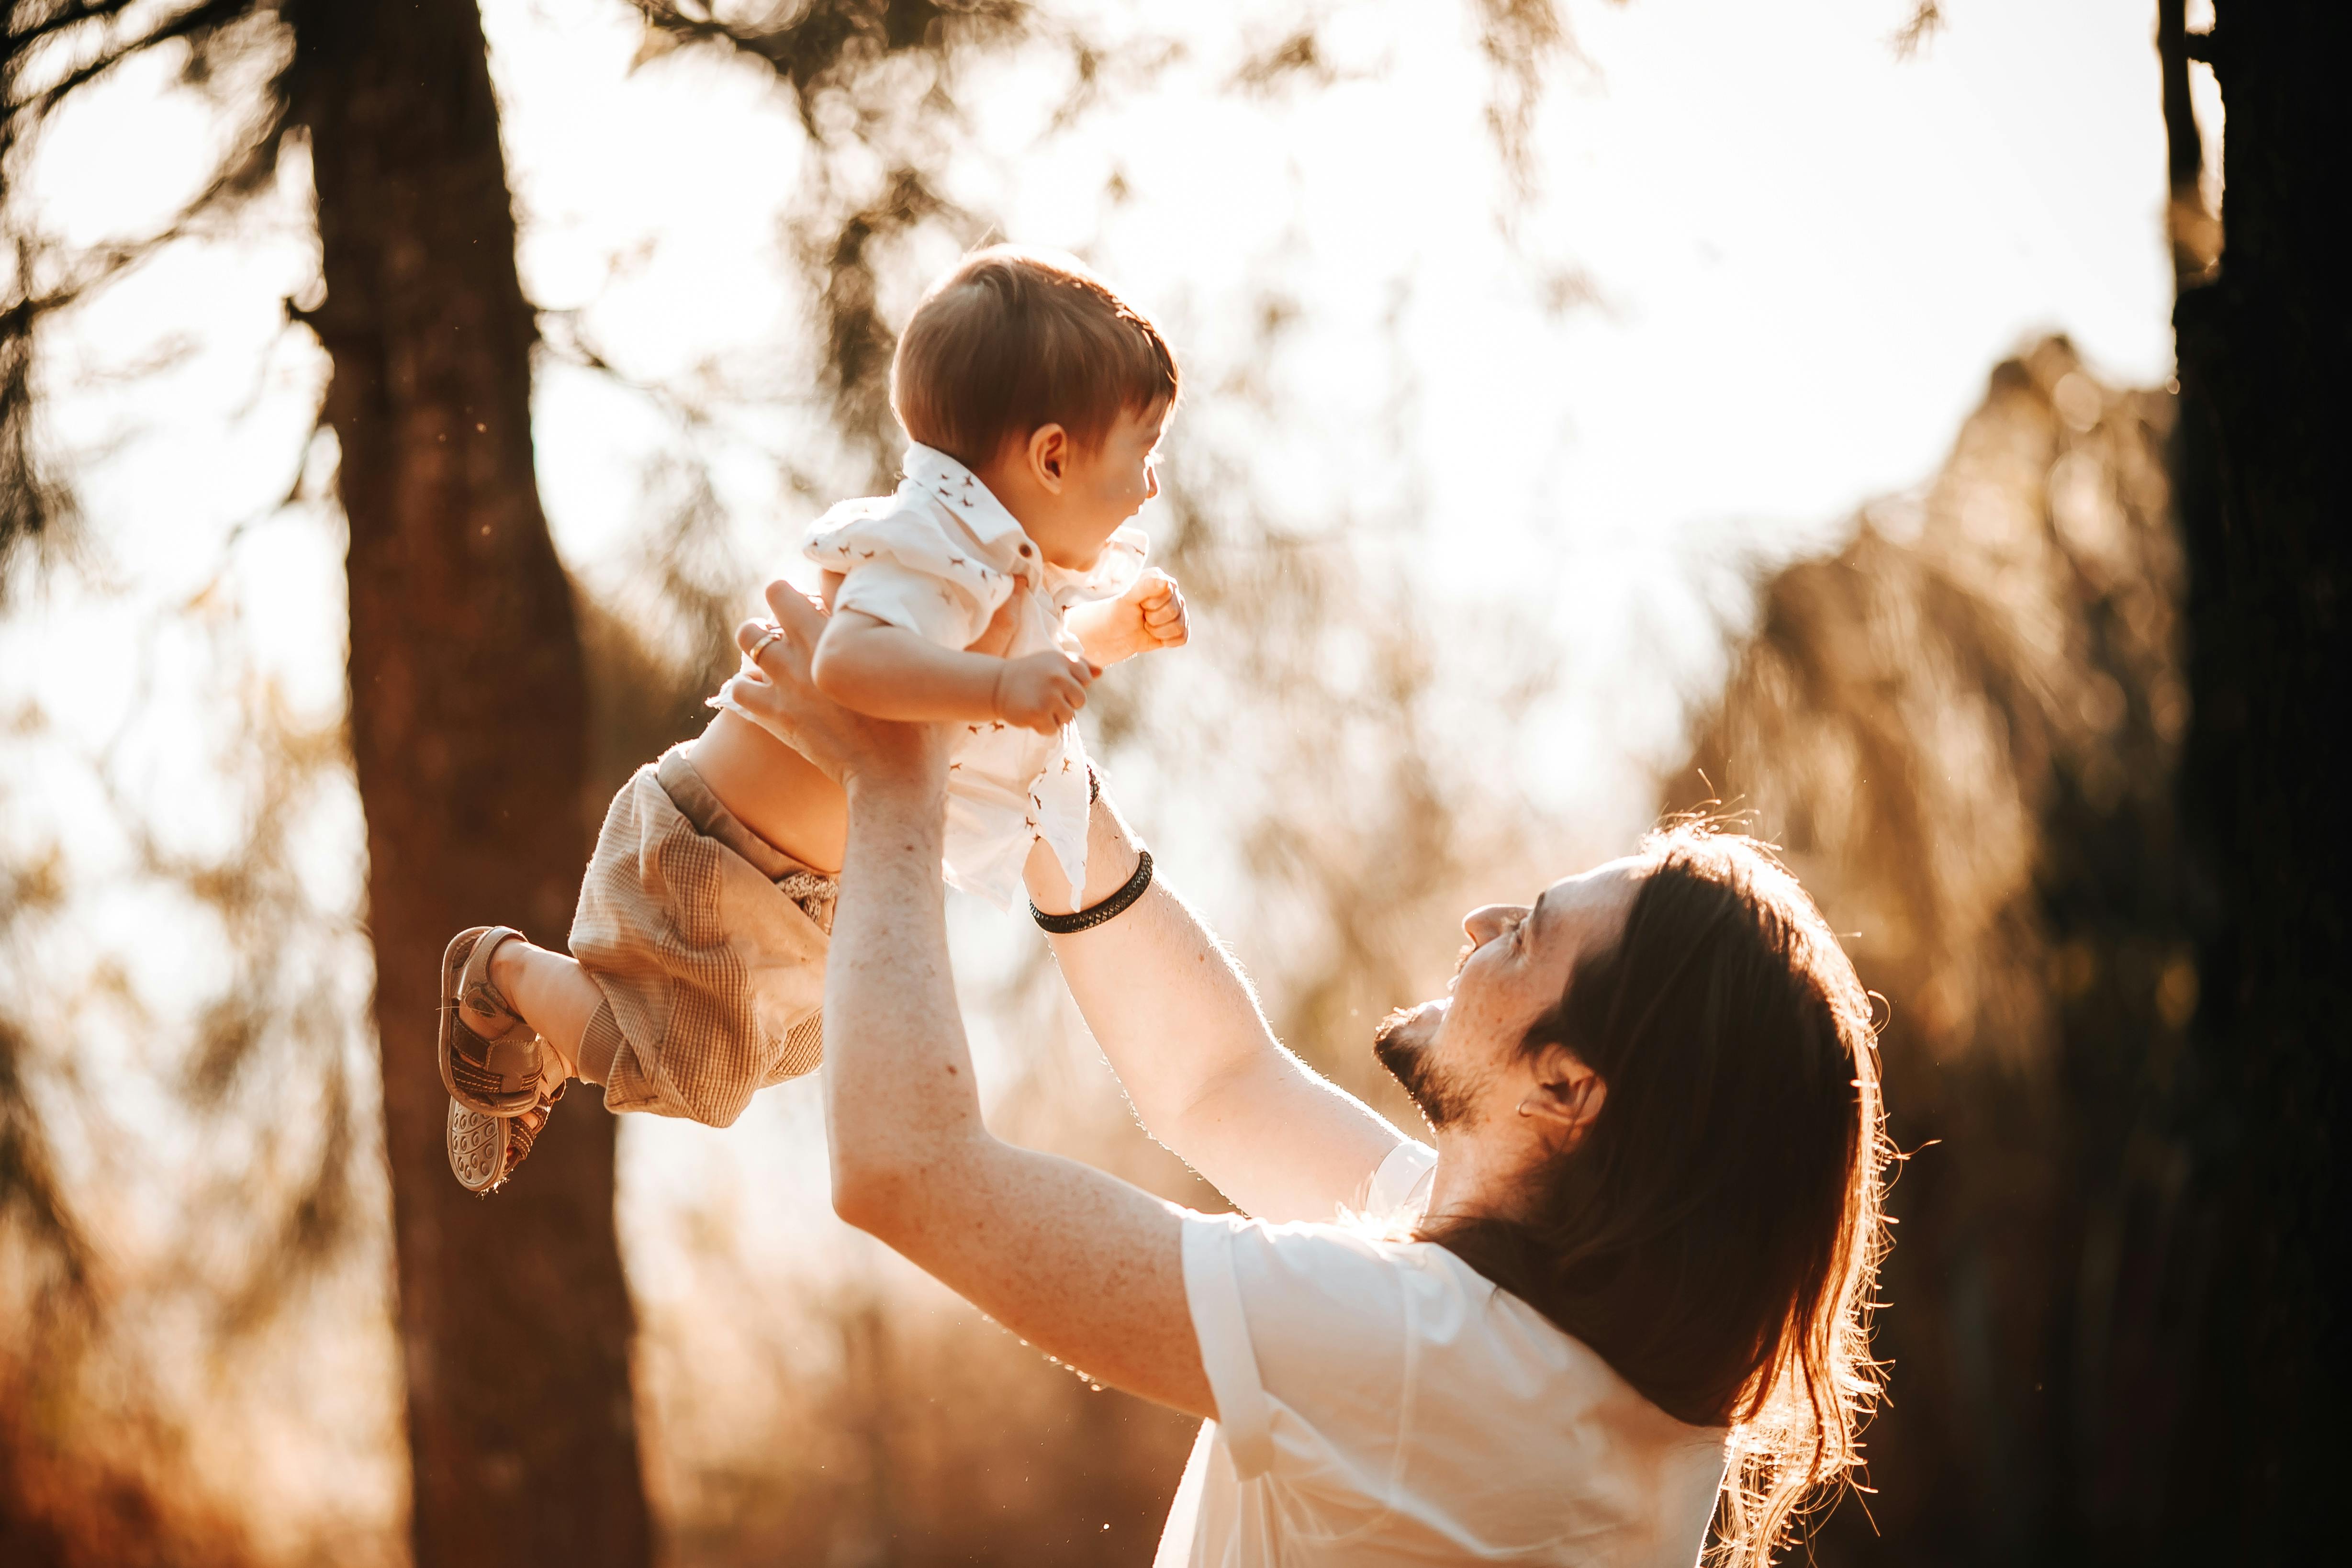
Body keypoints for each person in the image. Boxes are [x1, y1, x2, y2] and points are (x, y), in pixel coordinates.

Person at [721, 579, 1892, 1567]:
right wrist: (1039, 775)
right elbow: (1219, 1084)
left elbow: (909, 1171)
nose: (1483, 921)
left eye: (1530, 932)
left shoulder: (1422, 1362)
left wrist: (893, 789)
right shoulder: (1558, 1363)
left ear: (1567, 1092)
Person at [435, 246, 1189, 1192]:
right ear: (1051, 456)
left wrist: (1106, 636)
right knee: (691, 1077)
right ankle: (501, 973)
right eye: (1143, 453)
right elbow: (853, 662)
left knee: (788, 1045)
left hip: (796, 888)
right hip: (712, 849)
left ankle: (558, 1029)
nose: (1150, 486)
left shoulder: (996, 568)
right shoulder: (925, 547)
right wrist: (1003, 689)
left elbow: (987, 674)